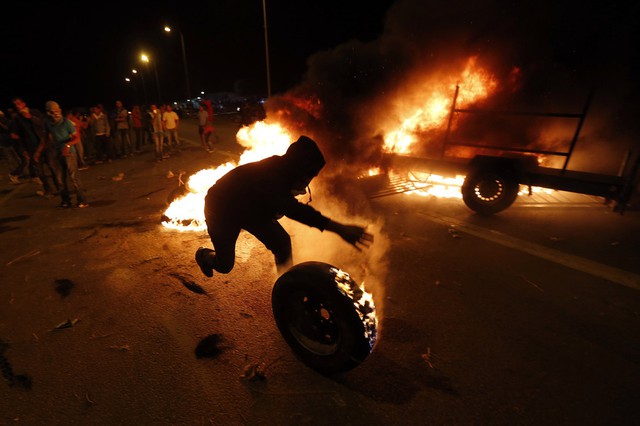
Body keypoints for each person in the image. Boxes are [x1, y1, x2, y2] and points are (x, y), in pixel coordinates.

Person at [195, 135, 374, 278]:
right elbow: (292, 209)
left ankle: (287, 289)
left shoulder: (284, 171)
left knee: (282, 243)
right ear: (296, 169)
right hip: (221, 209)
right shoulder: (270, 177)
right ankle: (204, 256)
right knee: (225, 265)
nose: (307, 182)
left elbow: (279, 202)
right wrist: (340, 229)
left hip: (252, 210)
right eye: (307, 176)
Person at [41, 100, 88, 208]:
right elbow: (45, 137)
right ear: (48, 113)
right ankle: (65, 201)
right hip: (57, 152)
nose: (56, 114)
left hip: (69, 153)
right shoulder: (47, 123)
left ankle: (82, 200)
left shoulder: (66, 122)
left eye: (57, 111)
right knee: (60, 178)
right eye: (53, 112)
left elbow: (76, 138)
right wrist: (40, 151)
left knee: (74, 177)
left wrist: (67, 145)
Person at [9, 97, 60, 196]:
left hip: (46, 144)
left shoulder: (35, 112)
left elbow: (43, 124)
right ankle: (48, 190)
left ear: (24, 103)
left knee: (53, 167)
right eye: (15, 105)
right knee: (40, 171)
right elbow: (17, 134)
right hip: (32, 147)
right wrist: (22, 148)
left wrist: (30, 117)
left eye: (18, 103)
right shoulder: (17, 118)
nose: (17, 106)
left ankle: (59, 188)